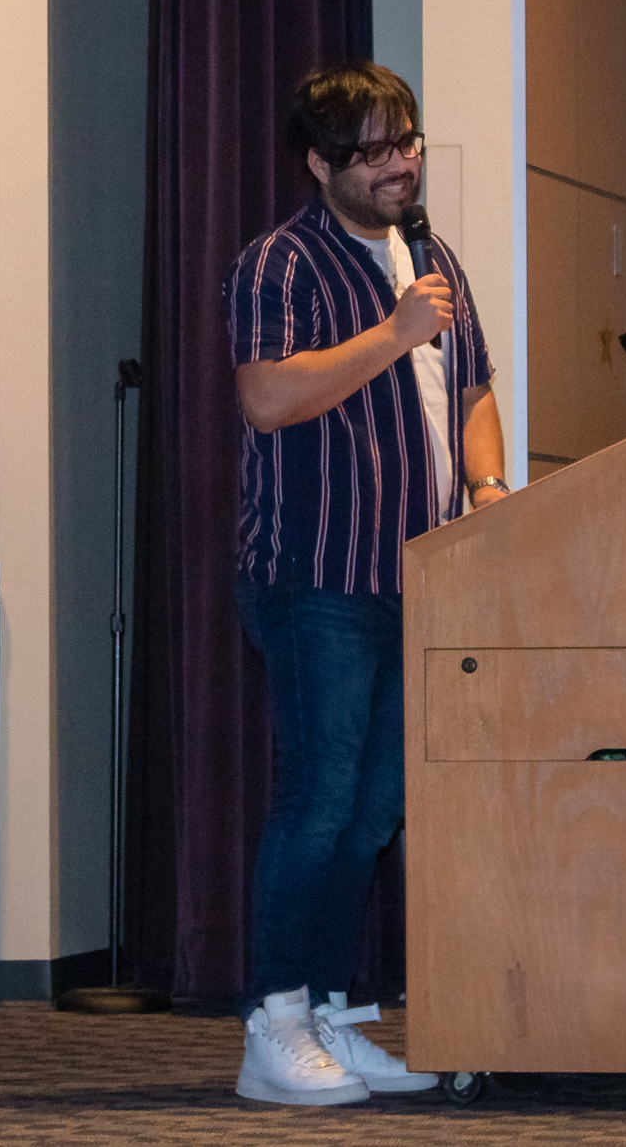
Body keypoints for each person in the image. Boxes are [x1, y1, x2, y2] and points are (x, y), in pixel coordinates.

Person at [224, 62, 510, 1104]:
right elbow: (264, 400)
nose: (400, 164)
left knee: (373, 810)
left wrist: (484, 482)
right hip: (317, 575)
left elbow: (473, 386)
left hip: (421, 576)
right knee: (316, 801)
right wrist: (392, 334)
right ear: (319, 162)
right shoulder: (279, 266)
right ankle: (273, 1023)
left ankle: (335, 1017)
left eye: (408, 142)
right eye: (374, 151)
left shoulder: (430, 258)